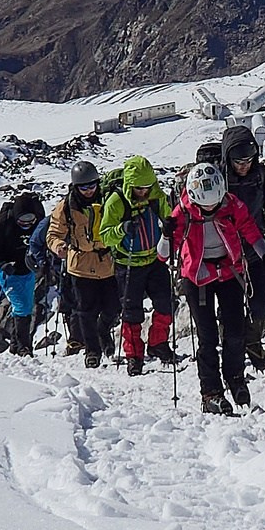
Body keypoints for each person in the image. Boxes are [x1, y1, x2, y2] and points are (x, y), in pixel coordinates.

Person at [167, 161, 265, 413]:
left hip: (229, 273)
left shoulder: (231, 205)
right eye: (205, 205)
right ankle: (211, 392)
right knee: (207, 337)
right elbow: (163, 254)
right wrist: (167, 235)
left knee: (235, 331)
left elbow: (250, 229)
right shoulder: (183, 212)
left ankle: (235, 378)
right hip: (197, 279)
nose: (210, 208)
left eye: (214, 203)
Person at [94, 154, 178, 377]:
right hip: (127, 263)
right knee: (132, 312)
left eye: (148, 186)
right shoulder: (116, 201)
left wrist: (170, 226)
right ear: (130, 185)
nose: (144, 191)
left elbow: (168, 217)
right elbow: (104, 236)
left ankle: (158, 343)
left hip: (154, 258)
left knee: (166, 303)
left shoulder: (156, 196)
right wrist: (122, 229)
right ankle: (134, 356)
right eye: (140, 188)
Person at [220, 124, 265, 369]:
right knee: (230, 307)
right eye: (238, 160)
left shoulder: (261, 175)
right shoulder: (219, 177)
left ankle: (251, 339)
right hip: (225, 253)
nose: (244, 164)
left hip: (255, 248)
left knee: (262, 303)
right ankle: (232, 350)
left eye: (249, 159)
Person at [46, 161, 120, 368]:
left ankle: (103, 330)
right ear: (75, 186)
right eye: (83, 187)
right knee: (85, 311)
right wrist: (59, 246)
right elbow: (53, 233)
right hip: (79, 265)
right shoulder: (66, 206)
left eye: (92, 186)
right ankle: (92, 351)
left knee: (113, 308)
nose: (88, 191)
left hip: (107, 263)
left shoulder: (108, 200)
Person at [0, 191, 45, 355]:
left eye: (30, 220)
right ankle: (24, 347)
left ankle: (16, 346)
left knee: (27, 305)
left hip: (28, 270)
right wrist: (2, 264)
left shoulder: (38, 221)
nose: (26, 224)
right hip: (8, 272)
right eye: (22, 220)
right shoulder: (6, 223)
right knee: (22, 307)